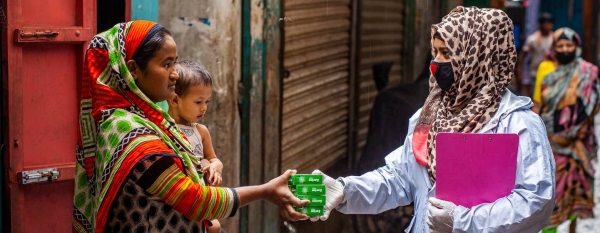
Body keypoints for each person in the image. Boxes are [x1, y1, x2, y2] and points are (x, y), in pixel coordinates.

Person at [309, 7, 556, 233]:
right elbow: (398, 179)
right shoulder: (428, 116)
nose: (435, 63)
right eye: (435, 51)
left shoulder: (518, 124)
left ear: (477, 56)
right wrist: (345, 191)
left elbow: (535, 201)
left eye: (446, 53)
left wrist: (461, 221)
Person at [72, 20, 308, 233]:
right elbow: (197, 202)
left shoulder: (138, 120)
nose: (175, 74)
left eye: (175, 63)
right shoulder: (132, 134)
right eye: (166, 65)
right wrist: (266, 191)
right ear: (133, 70)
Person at [538, 27, 599, 233]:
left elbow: (594, 102)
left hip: (579, 143)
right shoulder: (549, 77)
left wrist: (578, 127)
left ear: (576, 47)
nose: (565, 49)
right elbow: (543, 108)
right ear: (554, 49)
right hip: (554, 145)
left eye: (569, 45)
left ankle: (573, 228)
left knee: (576, 191)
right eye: (560, 45)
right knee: (552, 192)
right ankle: (550, 228)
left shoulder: (588, 72)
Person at [167, 60, 223, 233]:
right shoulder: (163, 129)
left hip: (201, 197)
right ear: (175, 100)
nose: (204, 108)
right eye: (198, 102)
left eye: (207, 101)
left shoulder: (201, 132)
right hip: (176, 199)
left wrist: (215, 167)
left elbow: (213, 158)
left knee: (215, 227)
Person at [516, 13, 554, 97]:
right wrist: (520, 73)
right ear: (541, 24)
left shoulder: (554, 38)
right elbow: (522, 56)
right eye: (546, 23)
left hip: (551, 73)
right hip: (535, 73)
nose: (549, 26)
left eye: (550, 23)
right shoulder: (532, 39)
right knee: (536, 95)